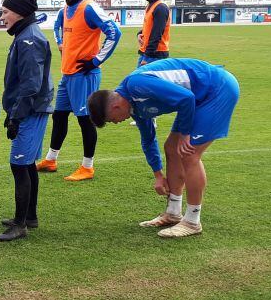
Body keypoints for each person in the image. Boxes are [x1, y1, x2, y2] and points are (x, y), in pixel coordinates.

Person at [88, 58, 240, 238]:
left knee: (189, 154)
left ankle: (192, 221)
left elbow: (186, 98)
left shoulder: (137, 85)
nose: (116, 122)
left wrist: (185, 134)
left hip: (218, 89)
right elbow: (148, 139)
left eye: (111, 119)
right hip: (199, 97)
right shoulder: (133, 106)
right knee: (171, 148)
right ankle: (173, 212)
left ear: (116, 106)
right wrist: (158, 175)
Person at [35, 0, 121, 181]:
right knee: (60, 116)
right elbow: (57, 27)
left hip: (85, 75)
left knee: (85, 120)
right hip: (68, 73)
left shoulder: (89, 7)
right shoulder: (66, 7)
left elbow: (114, 32)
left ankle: (87, 167)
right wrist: (60, 43)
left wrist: (96, 60)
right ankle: (51, 159)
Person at [0, 0, 55, 242]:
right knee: (28, 163)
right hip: (30, 109)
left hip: (31, 110)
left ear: (19, 12)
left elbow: (31, 85)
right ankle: (28, 216)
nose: (2, 17)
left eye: (5, 12)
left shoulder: (29, 39)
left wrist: (16, 117)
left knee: (19, 164)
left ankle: (20, 224)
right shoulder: (26, 35)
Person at [138, 0, 171, 65]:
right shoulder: (152, 4)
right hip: (148, 54)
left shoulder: (160, 7)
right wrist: (140, 34)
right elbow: (150, 27)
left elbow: (157, 34)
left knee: (140, 79)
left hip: (154, 56)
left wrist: (147, 58)